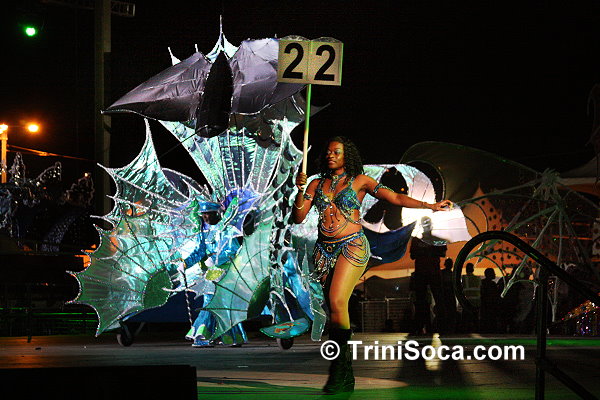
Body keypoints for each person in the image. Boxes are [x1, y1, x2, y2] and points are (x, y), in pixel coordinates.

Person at [293, 136, 452, 394]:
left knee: (336, 300)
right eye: (328, 152)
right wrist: (300, 191)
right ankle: (344, 370)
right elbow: (299, 217)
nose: (331, 155)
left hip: (351, 246)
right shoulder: (314, 184)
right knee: (335, 309)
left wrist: (430, 205)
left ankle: (338, 371)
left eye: (337, 152)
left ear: (347, 156)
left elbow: (395, 198)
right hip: (324, 251)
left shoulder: (360, 181)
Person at [461, 262, 481, 332]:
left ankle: (466, 331)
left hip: (467, 301)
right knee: (475, 319)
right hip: (477, 302)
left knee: (466, 320)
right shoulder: (478, 278)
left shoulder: (464, 278)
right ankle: (477, 331)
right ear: (473, 269)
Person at [479, 267, 501, 333]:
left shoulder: (482, 283)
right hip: (491, 307)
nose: (495, 274)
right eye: (493, 273)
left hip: (484, 307)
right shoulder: (493, 284)